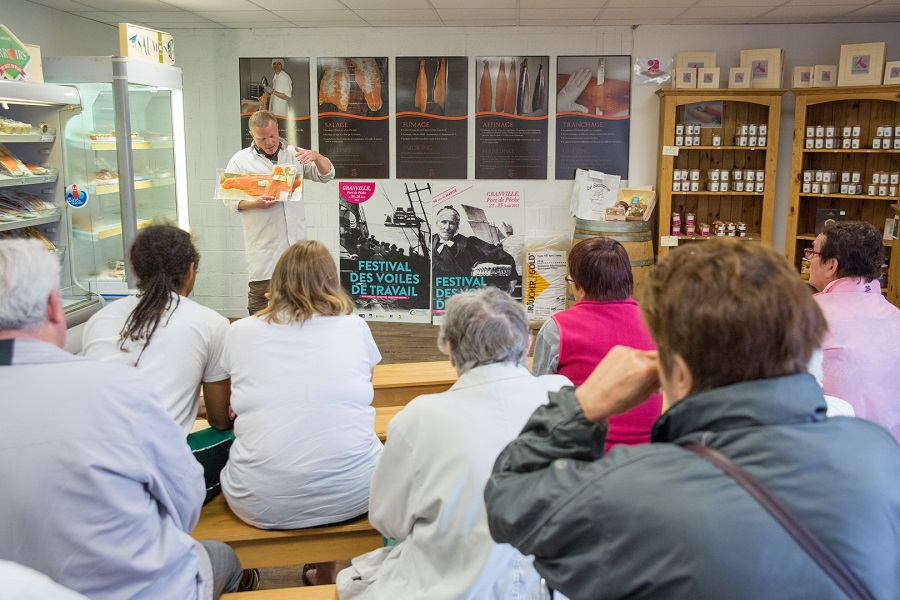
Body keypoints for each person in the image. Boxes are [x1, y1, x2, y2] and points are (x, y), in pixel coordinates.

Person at [485, 240, 900, 599]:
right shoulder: (878, 452)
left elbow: (510, 501)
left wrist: (585, 403)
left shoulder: (635, 493)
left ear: (677, 372)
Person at [0, 239, 247, 599]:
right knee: (225, 551)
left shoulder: (102, 322)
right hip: (143, 585)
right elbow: (184, 501)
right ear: (54, 308)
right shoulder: (120, 387)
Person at [337, 288, 571, 599]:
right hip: (553, 584)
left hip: (455, 586)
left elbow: (387, 519)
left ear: (449, 349)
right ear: (527, 341)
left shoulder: (419, 418)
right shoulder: (564, 396)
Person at [220, 240, 383, 585]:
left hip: (260, 499)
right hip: (356, 492)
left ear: (276, 282)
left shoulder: (239, 332)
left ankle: (243, 573)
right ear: (330, 281)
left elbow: (231, 400)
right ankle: (325, 573)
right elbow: (366, 381)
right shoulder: (354, 327)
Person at [81, 224, 234, 502]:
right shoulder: (211, 324)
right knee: (241, 437)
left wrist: (189, 403)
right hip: (152, 479)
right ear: (190, 270)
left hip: (89, 467)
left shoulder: (100, 320)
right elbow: (220, 419)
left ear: (138, 270)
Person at [532, 236, 662, 451]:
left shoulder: (558, 328)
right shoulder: (657, 323)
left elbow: (538, 402)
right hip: (647, 457)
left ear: (579, 283)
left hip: (583, 458)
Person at [223, 109, 335, 315]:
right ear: (252, 136)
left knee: (300, 302)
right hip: (263, 247)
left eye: (272, 135)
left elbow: (326, 175)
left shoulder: (293, 153)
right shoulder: (240, 160)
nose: (269, 142)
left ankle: (295, 341)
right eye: (262, 138)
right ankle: (259, 341)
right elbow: (229, 200)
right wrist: (254, 203)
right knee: (259, 301)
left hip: (295, 246)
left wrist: (317, 156)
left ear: (277, 129)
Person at [807, 220, 900, 442]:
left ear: (831, 266)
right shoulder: (895, 316)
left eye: (813, 253)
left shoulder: (808, 316)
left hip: (830, 450)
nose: (808, 260)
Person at [431, 205, 518, 294]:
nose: (447, 227)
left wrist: (513, 278)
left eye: (452, 223)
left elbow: (501, 255)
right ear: (437, 223)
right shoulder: (429, 243)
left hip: (462, 297)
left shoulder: (469, 244)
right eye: (443, 222)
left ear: (457, 226)